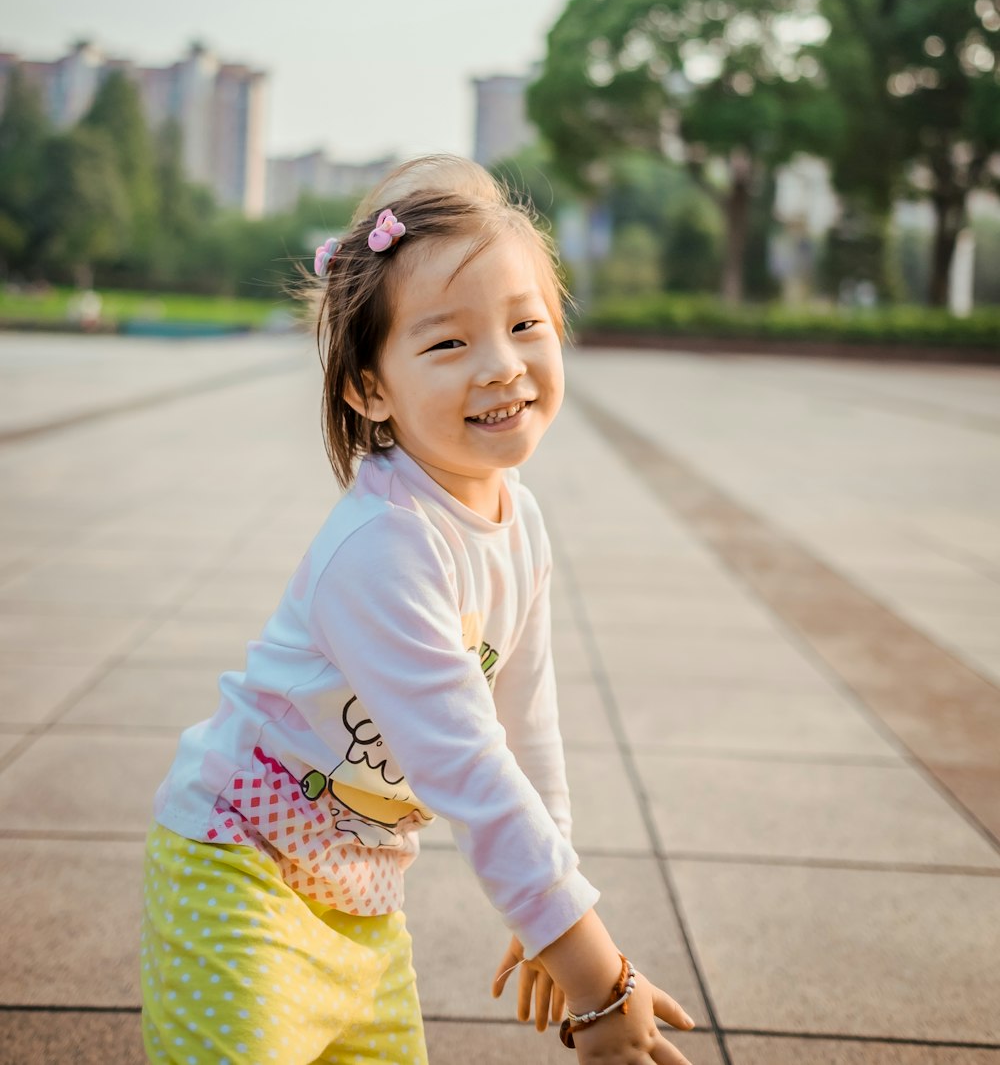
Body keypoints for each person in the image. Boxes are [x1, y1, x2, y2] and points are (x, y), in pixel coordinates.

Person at [141, 154, 697, 1064]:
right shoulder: (386, 547)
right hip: (237, 869)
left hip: (360, 896)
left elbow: (526, 733)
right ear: (369, 389)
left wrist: (552, 906)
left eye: (526, 325)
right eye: (448, 344)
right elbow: (467, 765)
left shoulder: (520, 523)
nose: (502, 366)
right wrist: (601, 982)